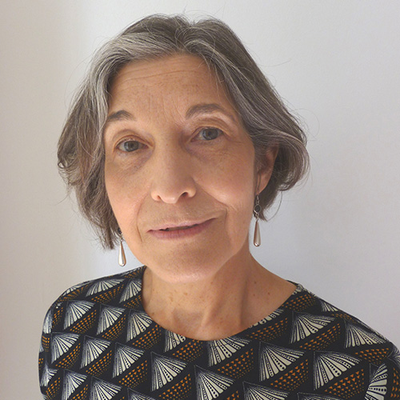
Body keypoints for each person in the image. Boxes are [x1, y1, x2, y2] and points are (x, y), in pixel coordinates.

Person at [39, 15, 400, 400]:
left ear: (262, 164)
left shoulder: (366, 376)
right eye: (130, 144)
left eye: (207, 133)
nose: (170, 188)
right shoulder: (71, 328)